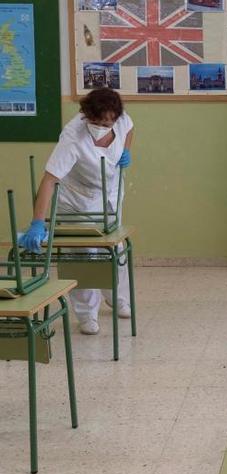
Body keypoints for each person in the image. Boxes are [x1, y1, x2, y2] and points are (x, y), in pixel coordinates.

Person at [20, 87, 134, 335]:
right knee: (83, 253)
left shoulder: (120, 118)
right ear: (85, 115)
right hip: (77, 198)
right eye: (96, 121)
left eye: (107, 122)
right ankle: (86, 314)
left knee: (117, 247)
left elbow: (130, 129)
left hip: (111, 191)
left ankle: (118, 297)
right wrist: (38, 222)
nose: (102, 126)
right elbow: (49, 180)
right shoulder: (73, 137)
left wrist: (126, 150)